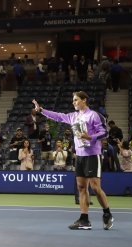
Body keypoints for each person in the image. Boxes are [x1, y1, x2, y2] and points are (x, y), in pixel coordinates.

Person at [33, 91, 114, 230]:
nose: (73, 102)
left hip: (93, 155)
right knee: (82, 187)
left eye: (76, 100)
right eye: (73, 100)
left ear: (84, 100)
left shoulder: (94, 115)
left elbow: (105, 132)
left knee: (95, 187)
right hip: (80, 156)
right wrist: (41, 110)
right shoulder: (73, 116)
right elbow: (58, 116)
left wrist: (91, 137)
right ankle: (84, 220)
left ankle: (107, 213)